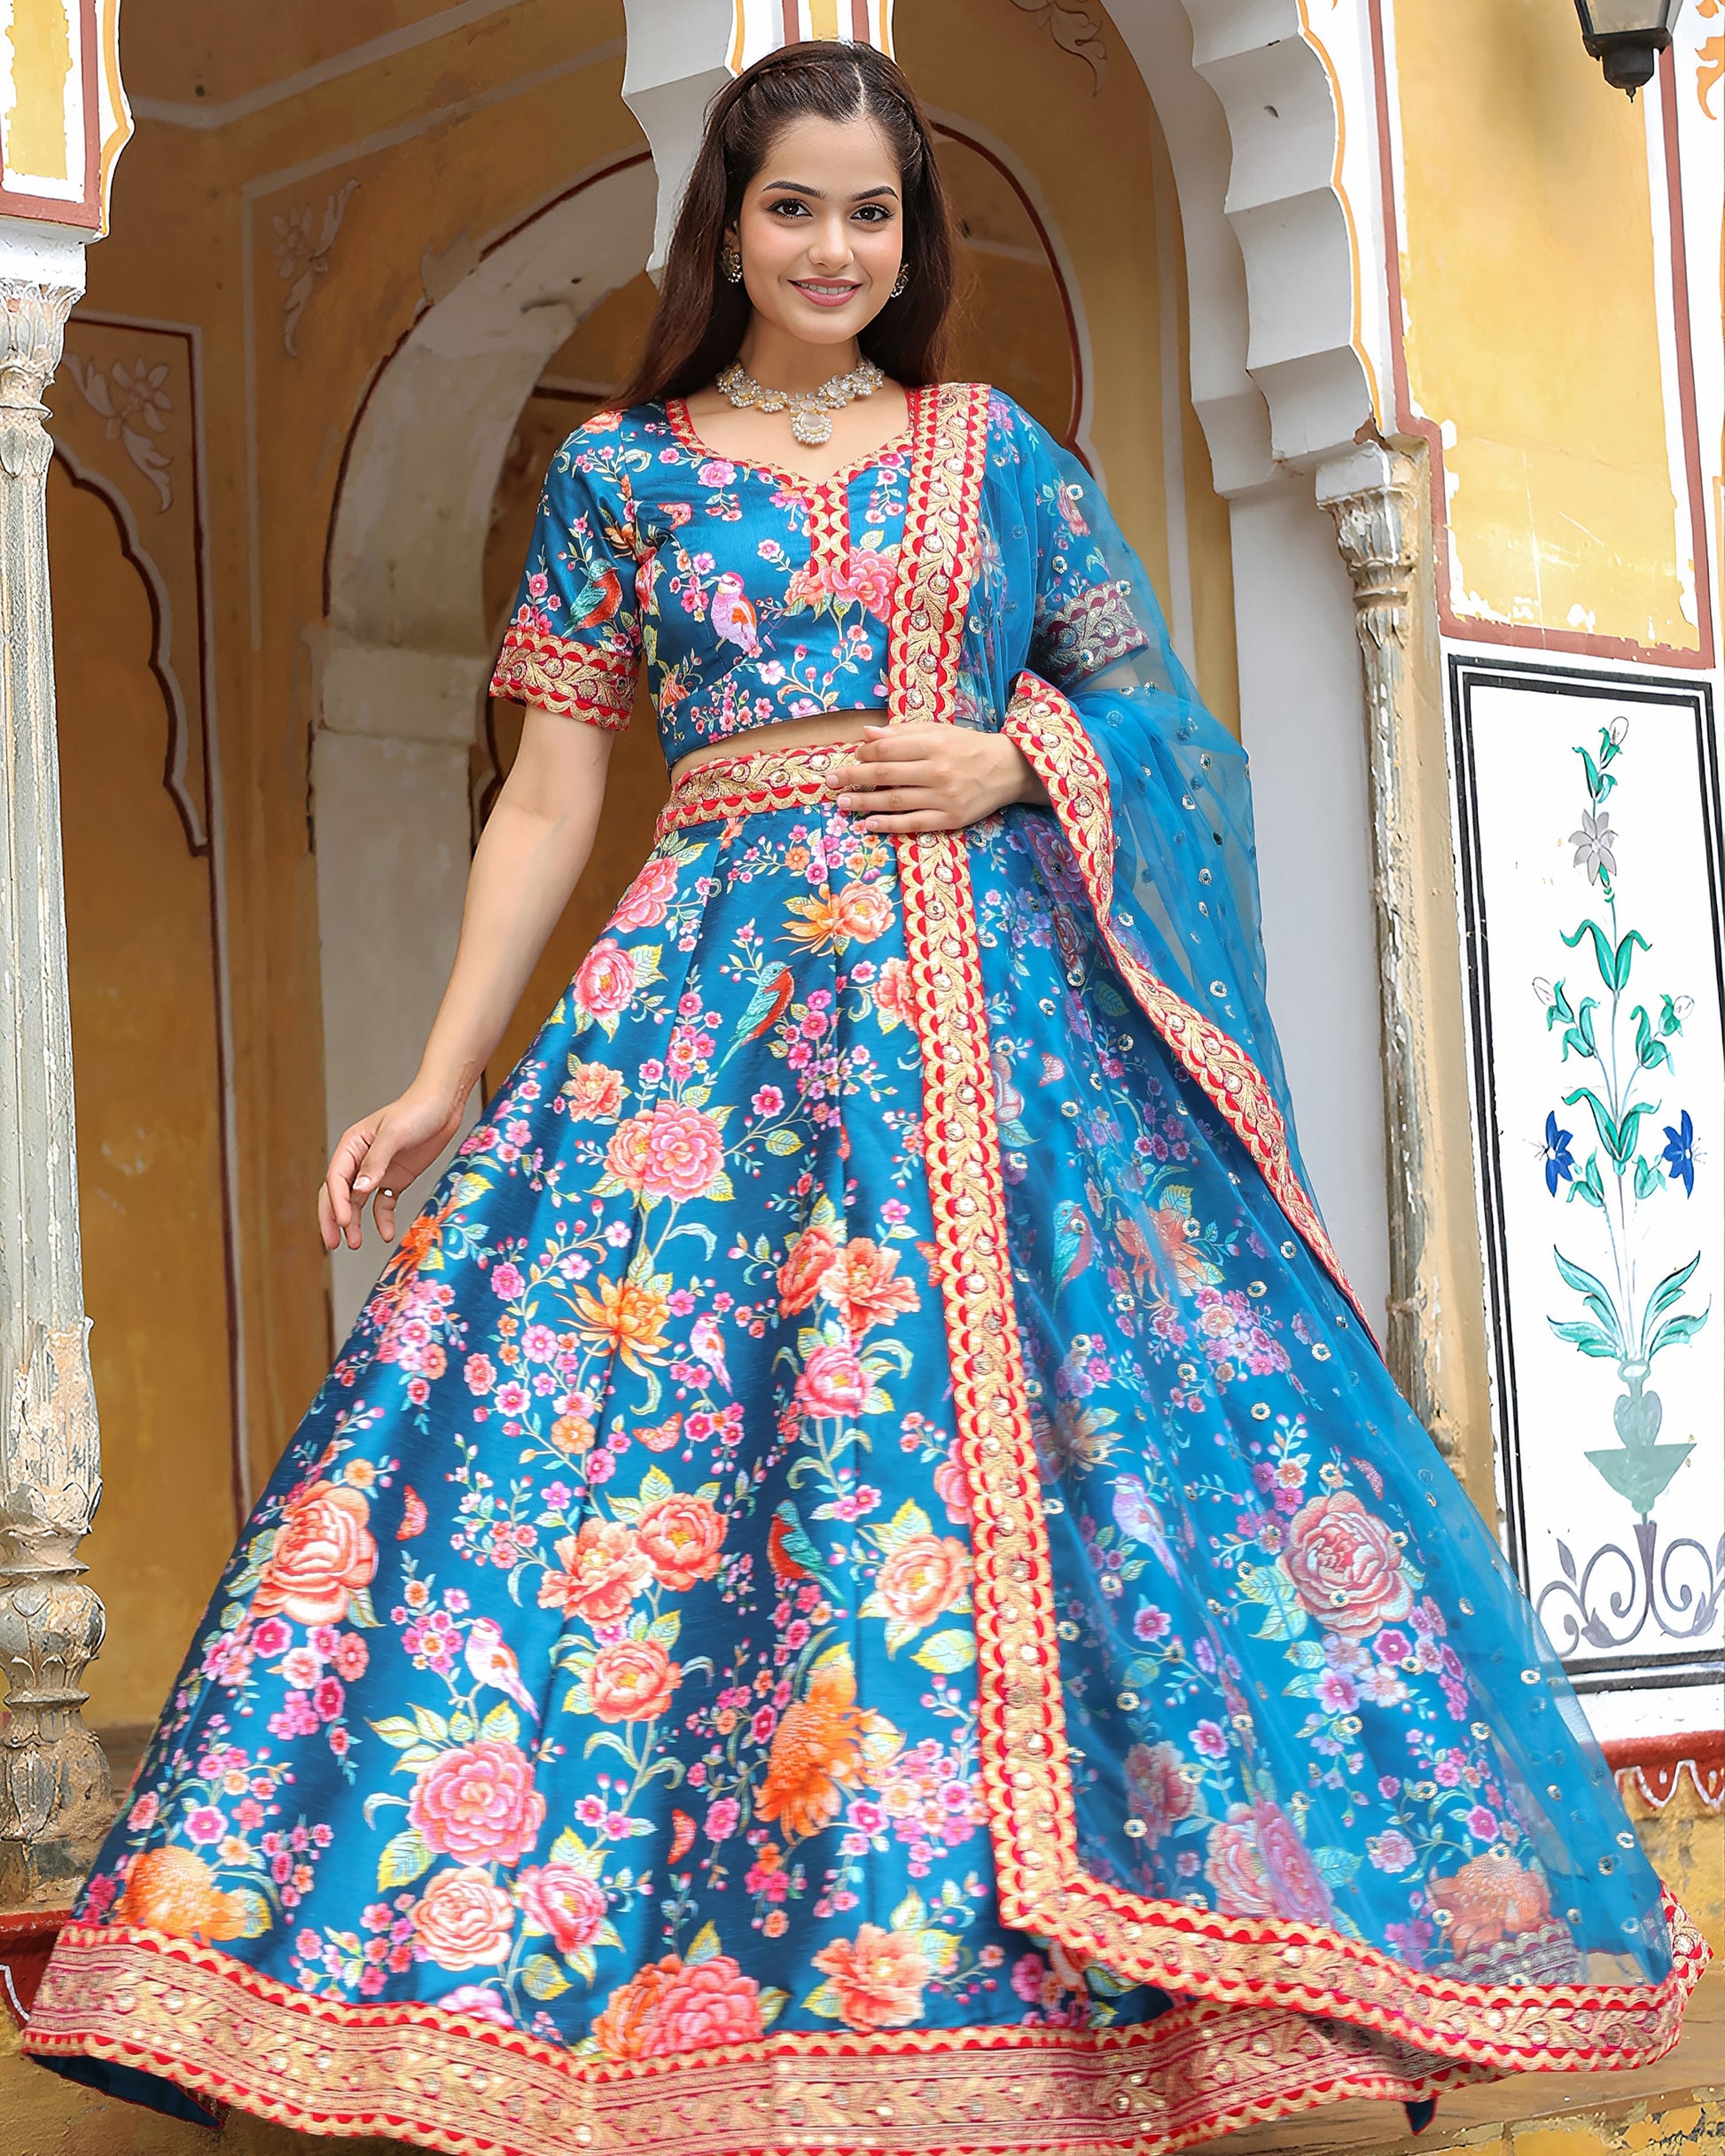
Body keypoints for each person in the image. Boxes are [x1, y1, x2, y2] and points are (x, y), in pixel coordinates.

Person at [26, 39, 1703, 2156]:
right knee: (643, 1467)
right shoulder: (623, 478)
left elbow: (1162, 725)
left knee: (1088, 1454)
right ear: (724, 221)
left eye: (874, 212)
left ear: (911, 241)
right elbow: (550, 786)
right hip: (702, 1034)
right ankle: (625, 1983)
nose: (835, 247)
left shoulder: (994, 455)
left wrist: (1023, 764)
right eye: (795, 205)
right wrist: (448, 1069)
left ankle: (1136, 1985)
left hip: (998, 1033)